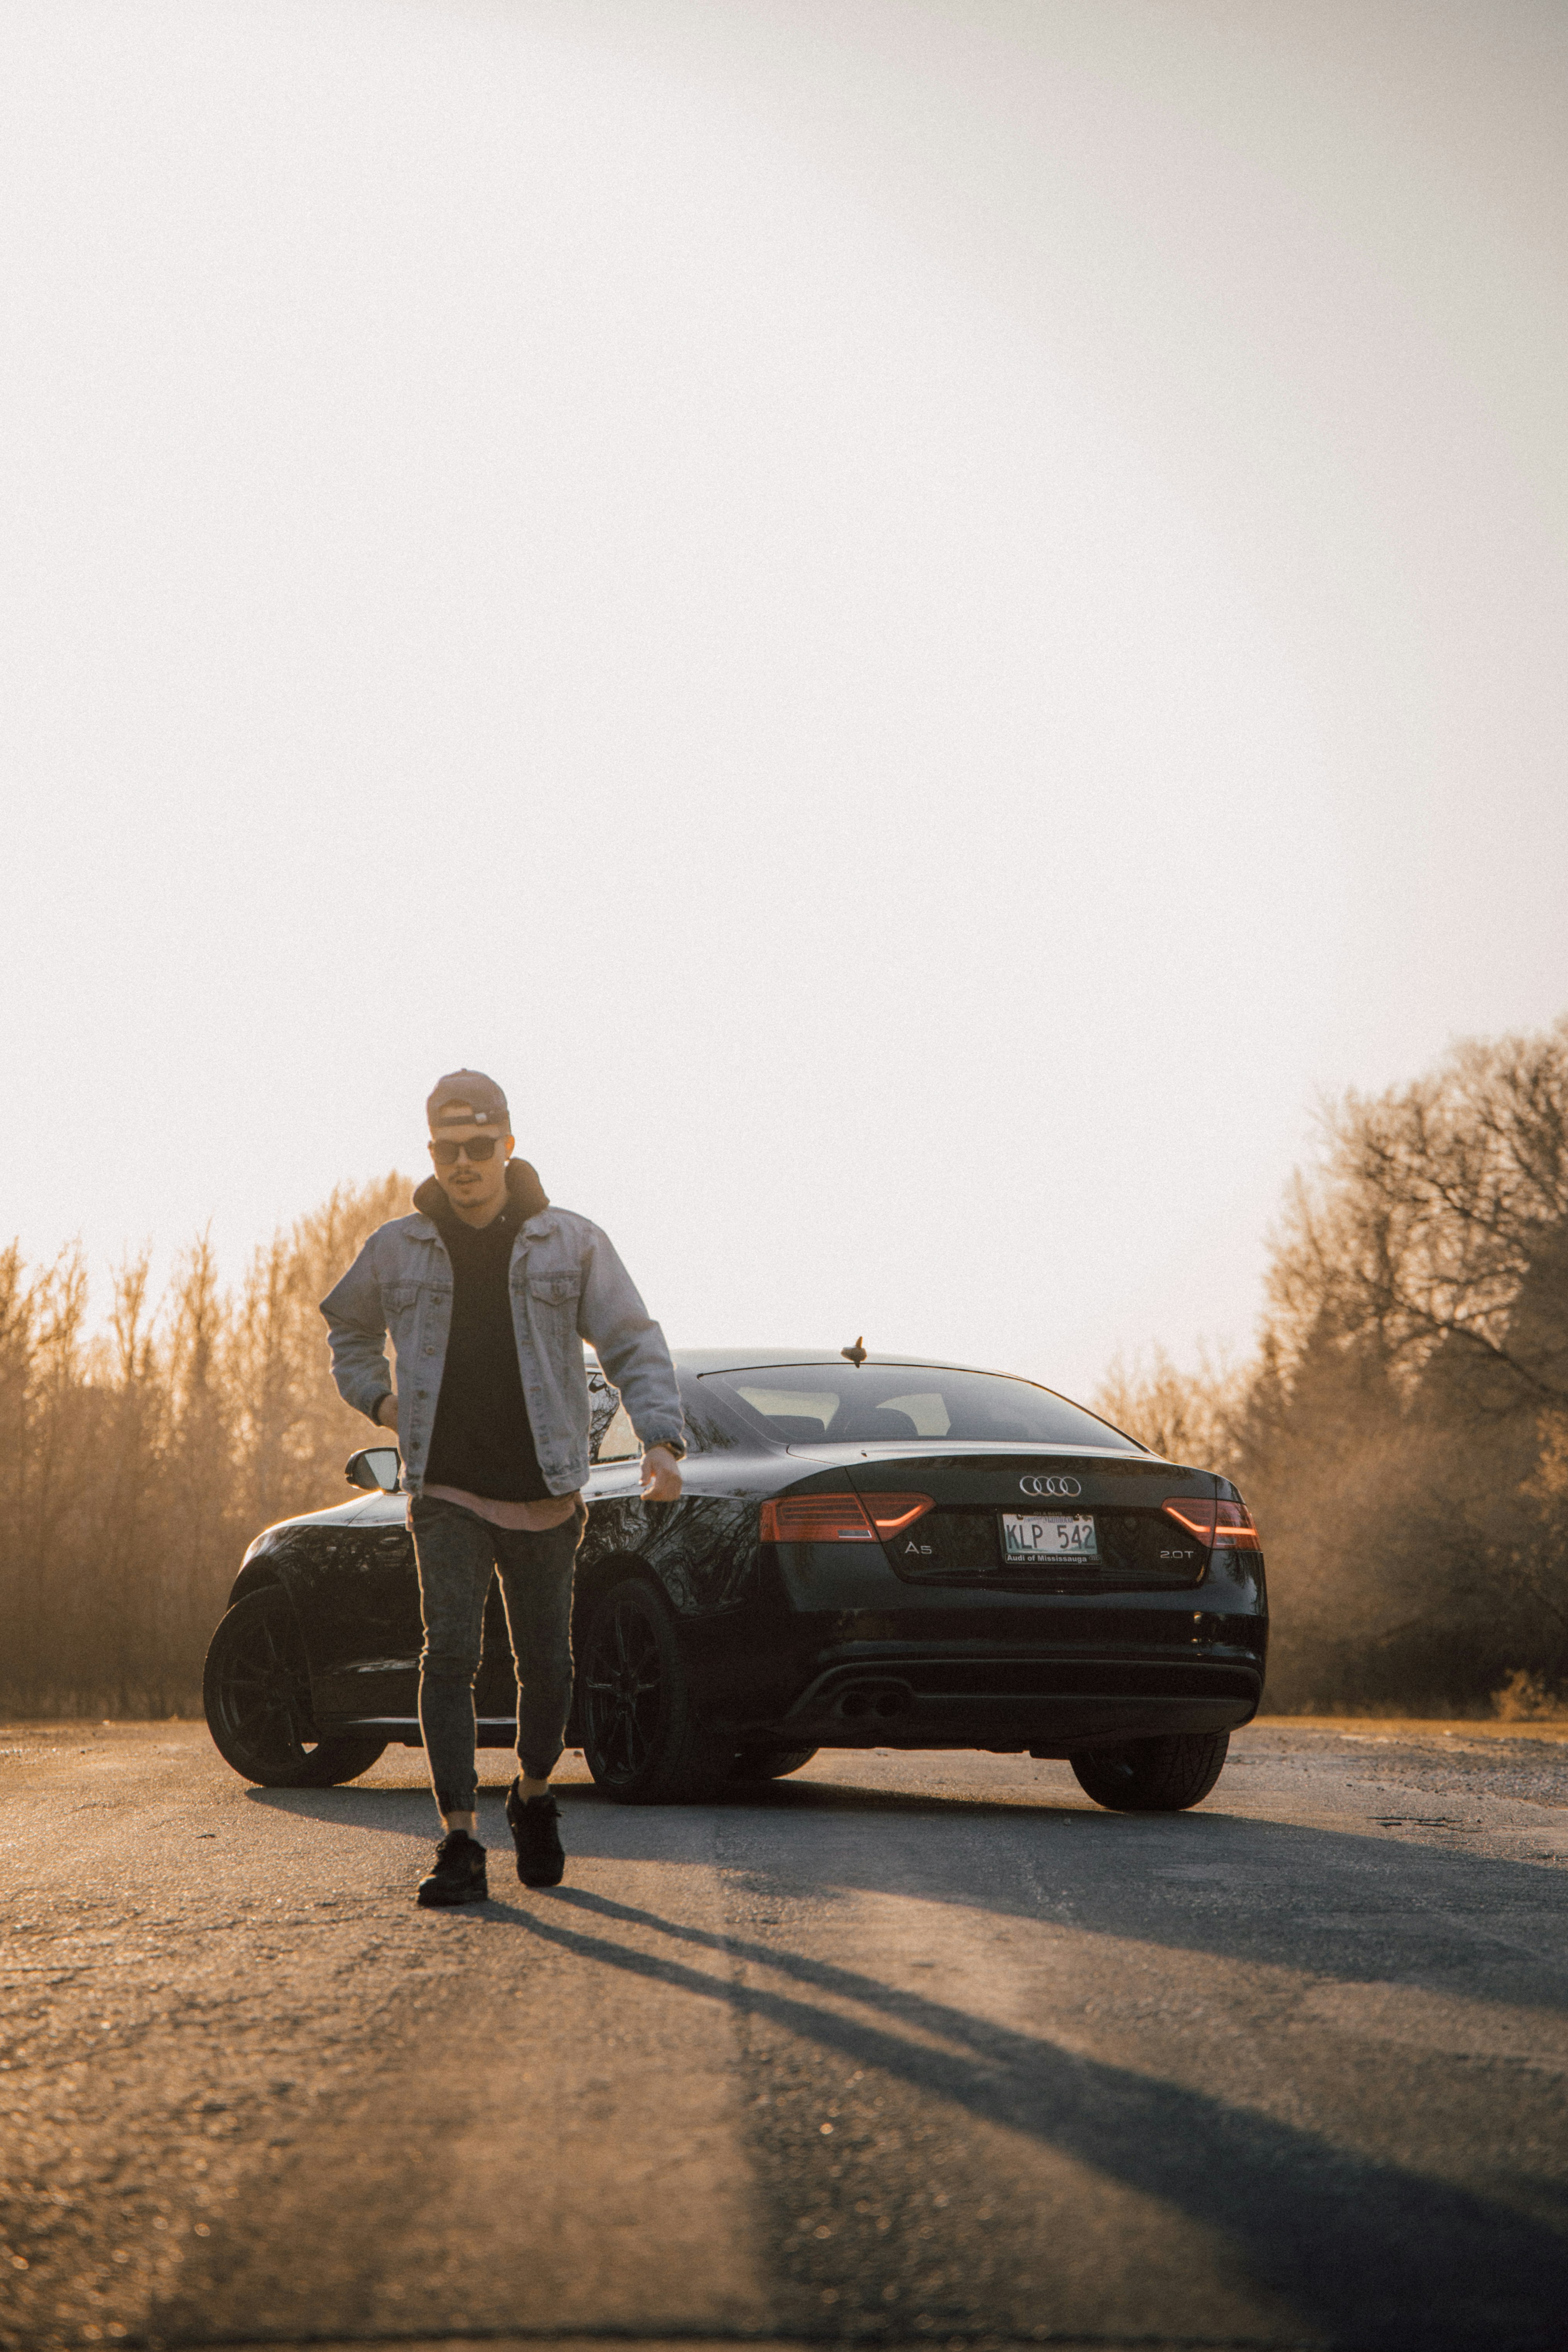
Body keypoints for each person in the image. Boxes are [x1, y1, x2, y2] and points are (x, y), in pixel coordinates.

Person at [320, 1070, 684, 1906]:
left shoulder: (571, 1243)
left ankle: (531, 1793)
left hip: (547, 1485)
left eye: (478, 1148)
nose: (463, 1164)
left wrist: (661, 1438)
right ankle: (458, 1839)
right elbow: (347, 1325)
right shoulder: (395, 1248)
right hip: (444, 1486)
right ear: (432, 1153)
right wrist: (377, 1398)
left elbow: (632, 1340)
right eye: (448, 1150)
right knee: (447, 1654)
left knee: (547, 1665)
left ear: (507, 1145)